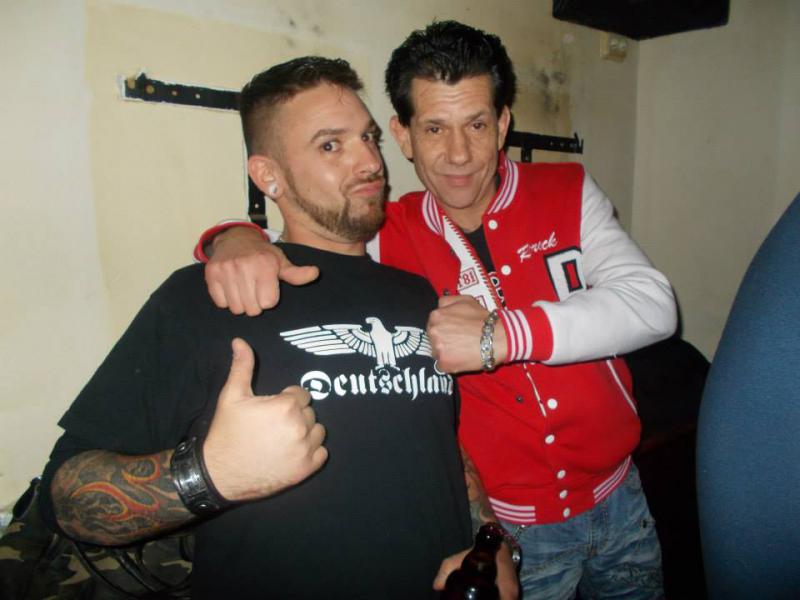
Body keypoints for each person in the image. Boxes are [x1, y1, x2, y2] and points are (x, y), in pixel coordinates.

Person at [197, 21, 678, 599]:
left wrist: (500, 335)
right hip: (510, 533)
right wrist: (233, 237)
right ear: (402, 135)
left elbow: (654, 305)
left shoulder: (567, 189)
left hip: (622, 498)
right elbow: (299, 239)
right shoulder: (385, 233)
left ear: (502, 124)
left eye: (476, 124)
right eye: (434, 128)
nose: (458, 154)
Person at [38, 56, 519, 599]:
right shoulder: (202, 298)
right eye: (331, 145)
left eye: (367, 137)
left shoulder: (417, 294)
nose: (370, 162)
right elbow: (66, 494)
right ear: (269, 176)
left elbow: (441, 445)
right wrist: (210, 475)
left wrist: (490, 541)